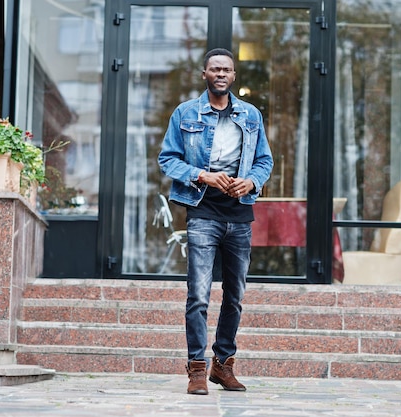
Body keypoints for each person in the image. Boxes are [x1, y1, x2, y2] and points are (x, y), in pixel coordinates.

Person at [158, 48, 274, 395]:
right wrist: (202, 176)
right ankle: (196, 368)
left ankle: (222, 366)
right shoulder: (185, 113)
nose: (220, 74)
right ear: (204, 74)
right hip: (203, 212)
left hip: (239, 214)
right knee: (198, 295)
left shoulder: (251, 115)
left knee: (235, 295)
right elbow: (168, 159)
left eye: (226, 69)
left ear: (234, 76)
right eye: (214, 69)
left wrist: (251, 181)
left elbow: (264, 160)